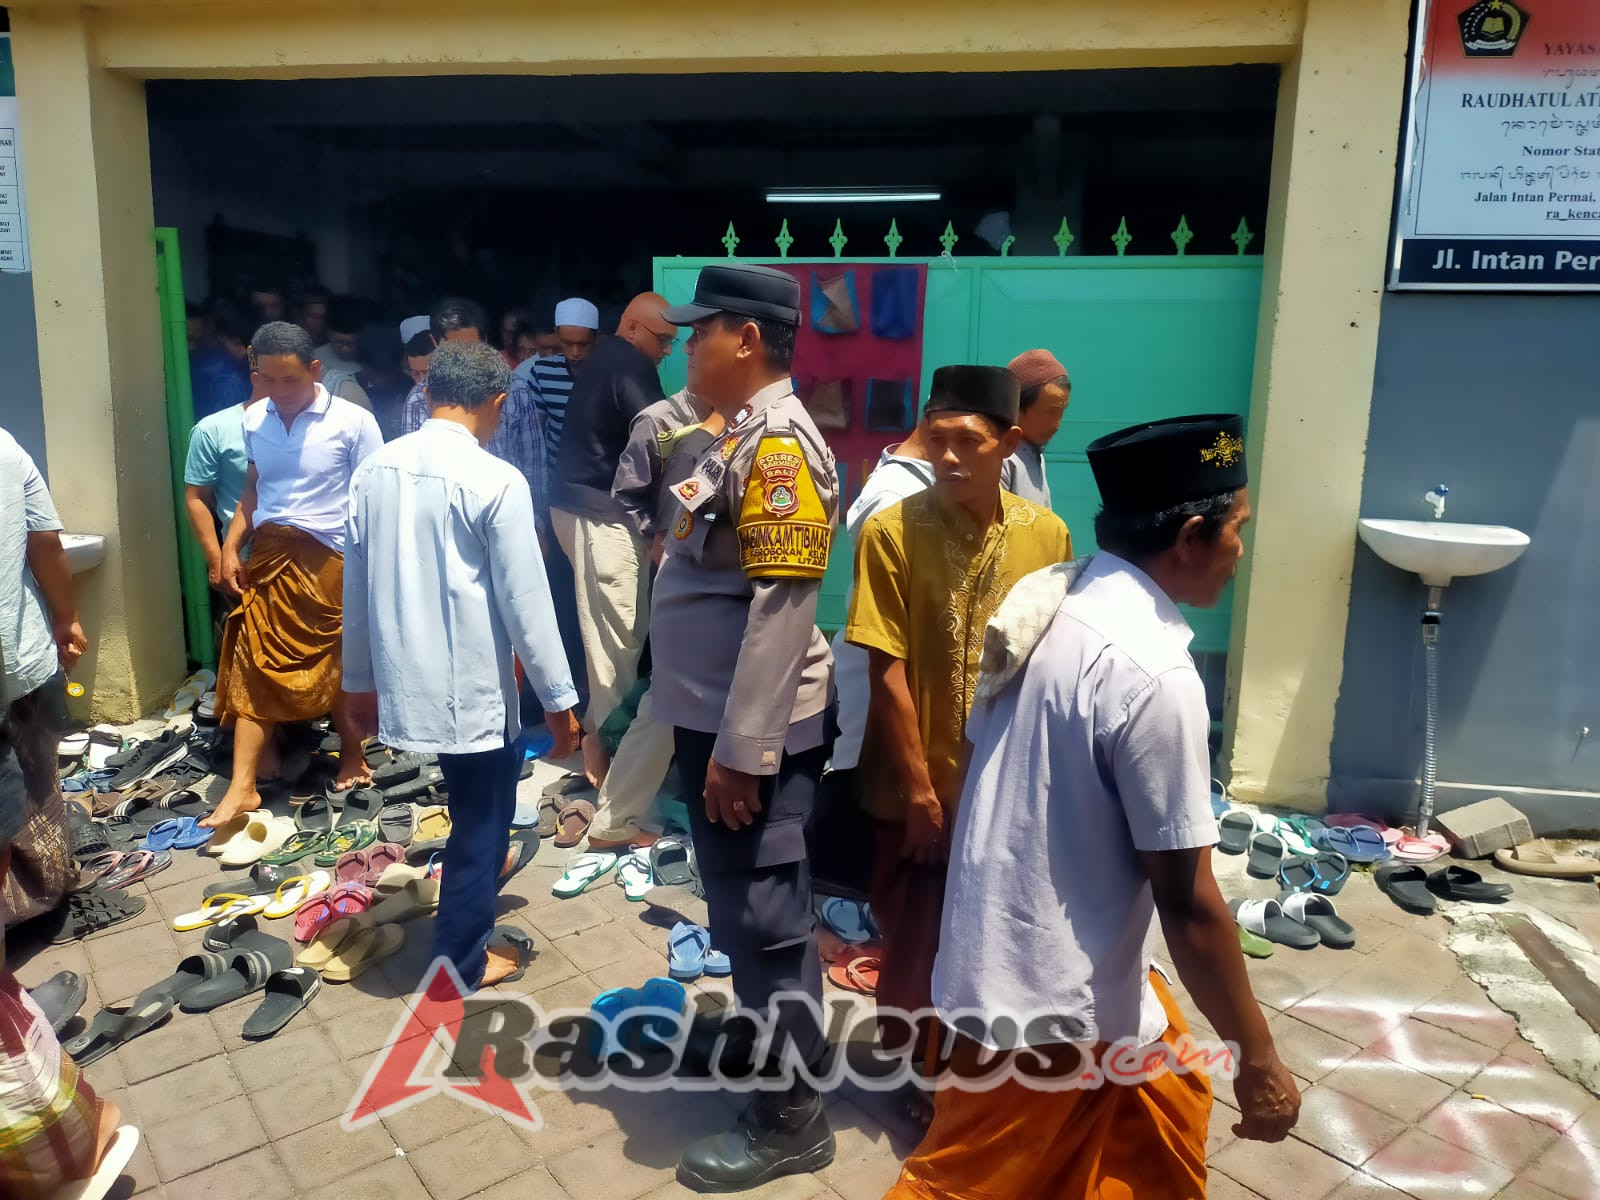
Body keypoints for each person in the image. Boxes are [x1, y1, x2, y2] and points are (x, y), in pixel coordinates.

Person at [882, 414, 1298, 1200]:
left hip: (1046, 968)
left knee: (1161, 1119)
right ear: (1192, 538)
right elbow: (1190, 903)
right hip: (1043, 1007)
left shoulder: (1049, 603)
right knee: (960, 1187)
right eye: (1238, 529)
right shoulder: (1155, 674)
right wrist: (1260, 1061)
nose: (1242, 550)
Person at [652, 265, 839, 1190]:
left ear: (748, 340)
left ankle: (793, 1113)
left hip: (746, 730)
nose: (690, 346)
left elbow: (782, 608)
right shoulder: (735, 435)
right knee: (742, 909)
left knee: (765, 919)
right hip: (716, 721)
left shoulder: (778, 446)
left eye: (701, 332)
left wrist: (741, 751)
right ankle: (776, 1049)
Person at [846, 366, 1071, 1123]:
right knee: (915, 939)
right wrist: (918, 792)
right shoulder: (891, 530)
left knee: (995, 937)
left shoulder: (1047, 536)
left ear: (1008, 443)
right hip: (915, 786)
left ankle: (979, 1071)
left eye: (967, 442)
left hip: (1004, 783)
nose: (947, 457)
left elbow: (1047, 665)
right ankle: (922, 1074)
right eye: (937, 439)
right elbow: (886, 665)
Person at [345, 342, 581, 991]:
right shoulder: (496, 480)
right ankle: (459, 962)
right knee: (484, 819)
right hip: (472, 687)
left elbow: (356, 591)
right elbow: (527, 604)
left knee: (472, 809)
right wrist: (561, 703)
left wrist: (357, 685)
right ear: (497, 404)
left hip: (404, 681)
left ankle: (467, 900)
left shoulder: (376, 470)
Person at [203, 323, 384, 828]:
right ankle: (244, 786)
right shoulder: (255, 419)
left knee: (342, 662)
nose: (279, 393)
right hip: (271, 556)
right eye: (268, 380)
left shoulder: (354, 422)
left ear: (315, 371)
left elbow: (374, 500)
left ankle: (353, 755)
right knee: (251, 662)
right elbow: (253, 489)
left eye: (291, 381)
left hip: (334, 559)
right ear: (254, 372)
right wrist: (230, 546)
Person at [585, 386, 714, 849]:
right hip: (695, 582)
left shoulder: (724, 430)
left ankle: (618, 809)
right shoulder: (693, 434)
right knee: (667, 698)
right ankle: (614, 814)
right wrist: (662, 543)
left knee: (672, 696)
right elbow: (667, 510)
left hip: (700, 582)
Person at [549, 293, 675, 739]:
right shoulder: (628, 363)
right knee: (616, 646)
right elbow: (663, 437)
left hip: (584, 510)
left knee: (611, 640)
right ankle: (611, 760)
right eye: (663, 339)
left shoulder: (609, 360)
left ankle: (603, 747)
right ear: (634, 327)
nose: (667, 351)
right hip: (599, 517)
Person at [0, 427, 85, 930]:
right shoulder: (6, 446)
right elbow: (45, 544)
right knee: (33, 776)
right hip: (16, 652)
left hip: (19, 654)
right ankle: (38, 899)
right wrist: (66, 617)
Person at [397, 300, 550, 523]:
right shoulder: (419, 398)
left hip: (508, 515)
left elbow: (533, 462)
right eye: (454, 348)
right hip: (444, 520)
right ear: (435, 342)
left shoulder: (516, 391)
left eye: (472, 348)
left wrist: (537, 520)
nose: (464, 358)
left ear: (486, 342)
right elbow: (413, 472)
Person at [184, 376, 265, 641]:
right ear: (255, 373)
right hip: (242, 567)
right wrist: (217, 560)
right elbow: (196, 497)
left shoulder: (318, 428)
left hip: (305, 564)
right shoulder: (213, 429)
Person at [528, 297, 598, 471]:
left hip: (601, 479)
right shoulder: (542, 372)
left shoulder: (611, 372)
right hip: (556, 475)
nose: (575, 352)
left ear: (596, 337)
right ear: (556, 334)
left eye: (583, 344)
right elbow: (535, 432)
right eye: (568, 343)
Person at [1000, 349, 1070, 508]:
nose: (1057, 424)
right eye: (1050, 412)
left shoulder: (1033, 450)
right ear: (1016, 407)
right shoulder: (1001, 459)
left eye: (1062, 411)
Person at [188, 299, 253, 420]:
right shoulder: (224, 377)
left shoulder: (247, 367)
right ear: (219, 338)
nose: (245, 351)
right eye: (237, 344)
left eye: (248, 344)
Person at [314, 295, 374, 412]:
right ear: (328, 333)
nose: (345, 348)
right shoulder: (316, 359)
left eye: (352, 343)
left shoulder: (375, 361)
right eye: (339, 342)